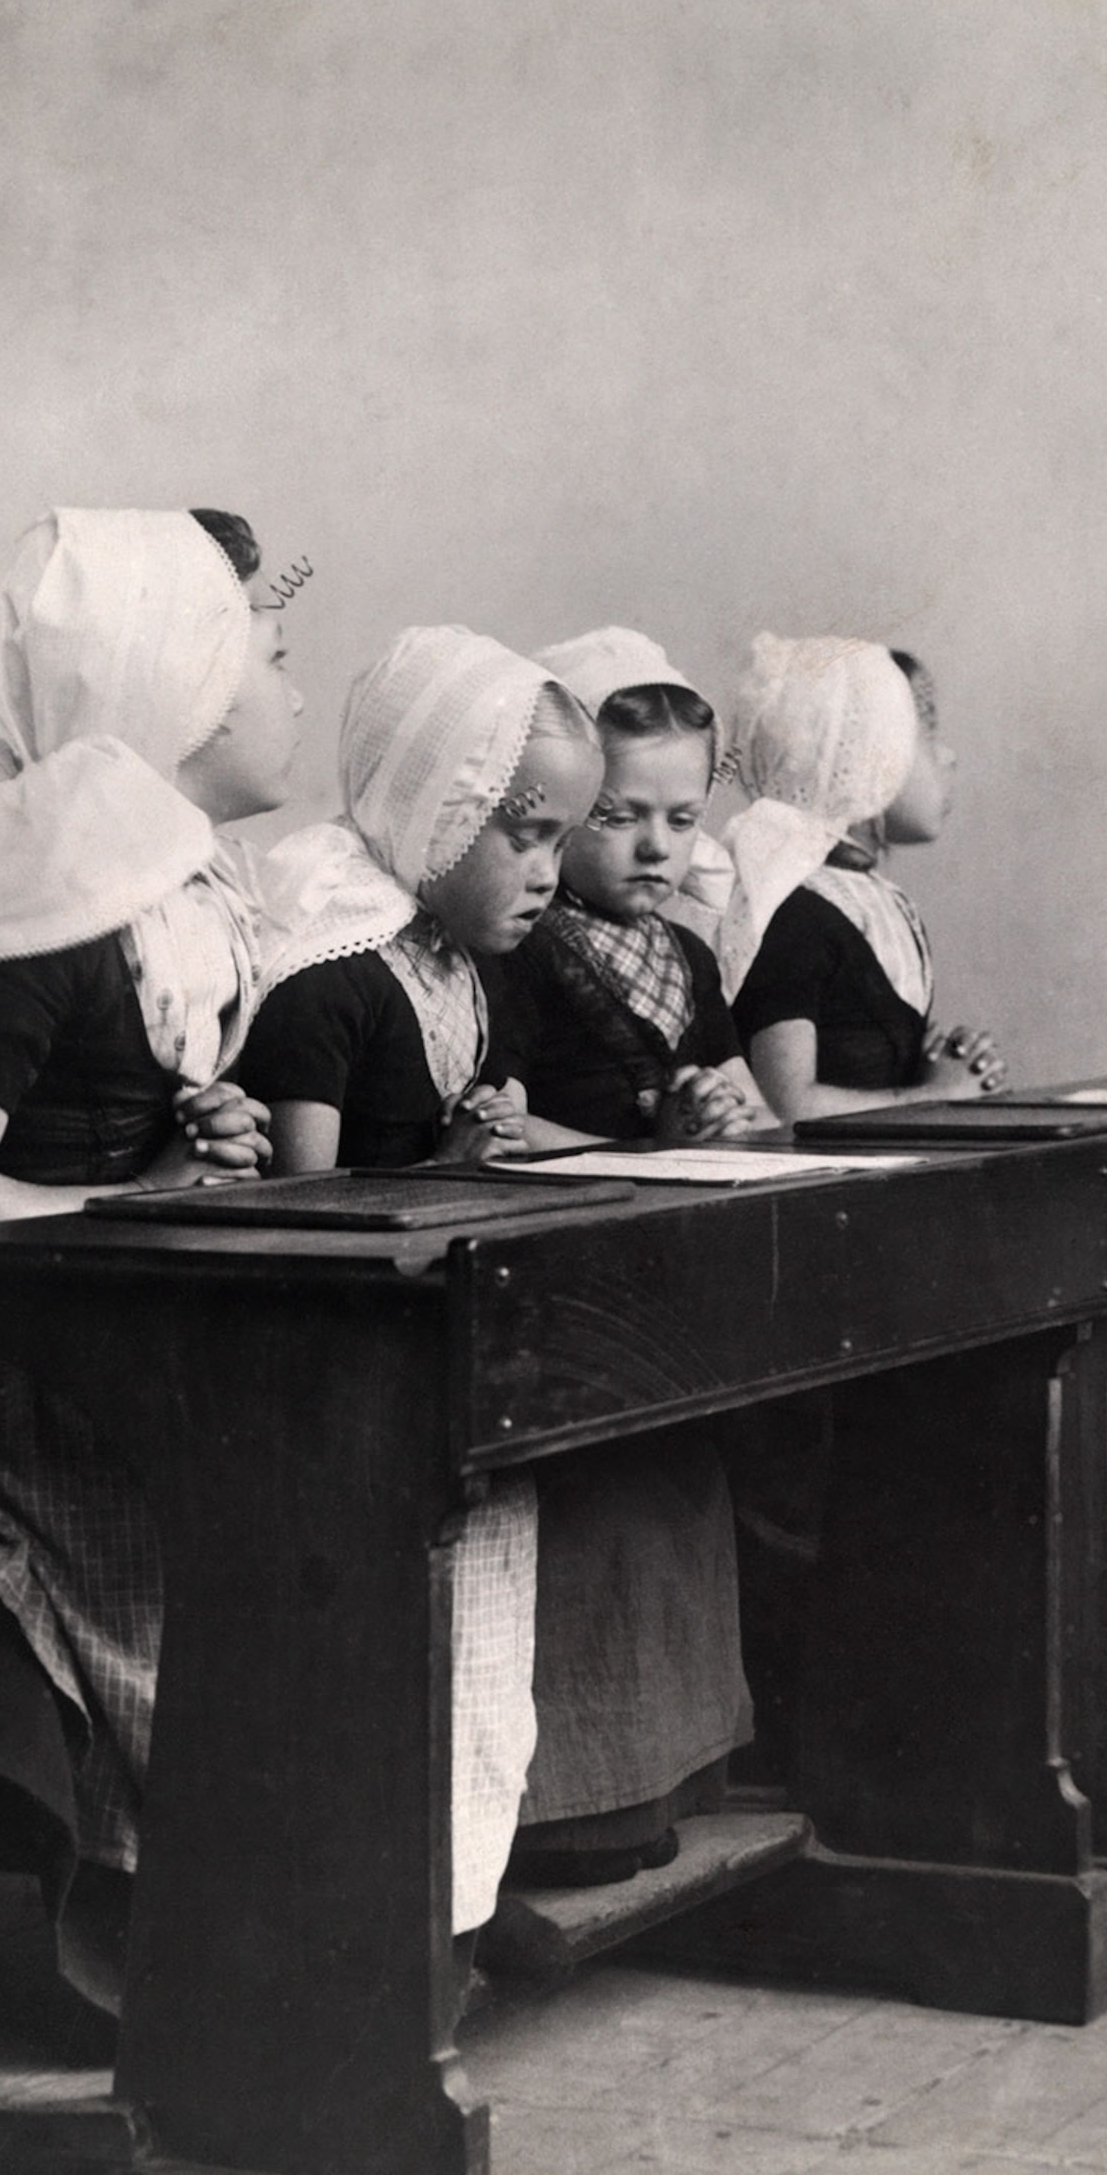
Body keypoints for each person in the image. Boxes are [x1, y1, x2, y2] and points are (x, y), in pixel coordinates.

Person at [0, 511, 532, 2010]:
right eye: (266, 666)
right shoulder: (31, 900)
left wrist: (179, 1153)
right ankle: (203, 1931)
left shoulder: (169, 888)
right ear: (183, 697)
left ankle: (324, 1911)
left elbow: (108, 1156)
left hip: (95, 1298)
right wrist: (142, 1188)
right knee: (196, 1536)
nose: (289, 697)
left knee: (317, 1496)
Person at [243, 621, 750, 1889]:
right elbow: (313, 1207)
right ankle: (500, 1845)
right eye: (525, 834)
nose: (546, 868)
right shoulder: (330, 977)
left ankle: (583, 1808)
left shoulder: (463, 970)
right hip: (357, 1340)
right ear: (436, 810)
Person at [486, 628, 766, 1146]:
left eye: (682, 820)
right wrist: (657, 1147)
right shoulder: (521, 946)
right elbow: (504, 1127)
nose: (656, 846)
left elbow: (761, 1114)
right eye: (617, 817)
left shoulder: (689, 957)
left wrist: (726, 1116)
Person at [720, 634, 1002, 1119]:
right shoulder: (794, 913)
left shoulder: (878, 901)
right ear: (864, 755)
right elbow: (784, 1107)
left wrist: (945, 1061)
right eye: (926, 731)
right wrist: (936, 1095)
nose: (948, 756)